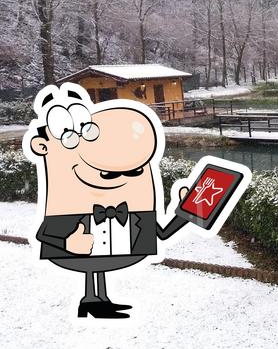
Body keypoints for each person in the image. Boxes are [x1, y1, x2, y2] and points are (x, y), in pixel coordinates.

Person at [24, 84, 188, 319]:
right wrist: (67, 244)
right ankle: (91, 299)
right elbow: (43, 235)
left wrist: (186, 211)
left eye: (133, 172)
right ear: (42, 147)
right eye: (109, 173)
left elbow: (161, 233)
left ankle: (96, 299)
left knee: (97, 266)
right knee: (92, 264)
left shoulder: (136, 214)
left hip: (122, 248)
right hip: (76, 252)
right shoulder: (66, 209)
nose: (120, 175)